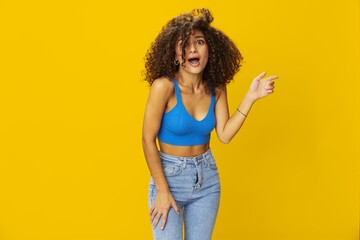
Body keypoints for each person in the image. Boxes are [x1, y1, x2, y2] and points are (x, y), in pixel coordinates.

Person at [142, 8, 277, 240]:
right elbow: (147, 139)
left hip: (206, 179)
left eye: (199, 42)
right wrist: (162, 191)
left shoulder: (216, 87)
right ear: (175, 54)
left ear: (209, 51)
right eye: (184, 44)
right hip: (168, 177)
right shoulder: (163, 87)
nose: (192, 49)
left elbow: (224, 135)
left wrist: (251, 97)